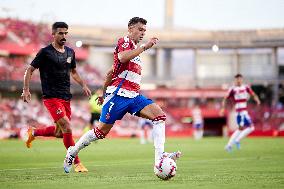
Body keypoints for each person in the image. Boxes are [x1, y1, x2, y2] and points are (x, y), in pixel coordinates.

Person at [63, 17, 181, 173]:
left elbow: (110, 72)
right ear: (130, 29)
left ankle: (160, 158)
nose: (142, 33)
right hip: (118, 96)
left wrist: (103, 93)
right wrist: (146, 47)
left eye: (144, 31)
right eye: (140, 29)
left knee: (160, 116)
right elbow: (122, 58)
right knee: (100, 133)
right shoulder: (124, 42)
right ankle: (72, 151)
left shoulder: (135, 51)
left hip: (133, 96)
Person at [21, 22, 92, 172]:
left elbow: (73, 72)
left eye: (66, 33)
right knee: (67, 126)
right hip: (51, 97)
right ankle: (76, 162)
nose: (64, 36)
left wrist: (83, 85)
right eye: (60, 33)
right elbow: (30, 69)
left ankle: (34, 132)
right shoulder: (45, 52)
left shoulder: (70, 52)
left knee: (60, 132)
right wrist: (26, 89)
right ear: (53, 34)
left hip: (66, 96)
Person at [220, 74, 261, 152]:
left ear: (242, 79)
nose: (238, 80)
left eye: (240, 79)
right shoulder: (232, 89)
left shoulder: (246, 87)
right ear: (235, 80)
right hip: (239, 112)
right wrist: (222, 108)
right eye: (237, 79)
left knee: (251, 128)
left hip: (245, 112)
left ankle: (236, 141)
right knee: (241, 129)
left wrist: (257, 100)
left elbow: (253, 94)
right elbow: (225, 99)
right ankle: (229, 145)